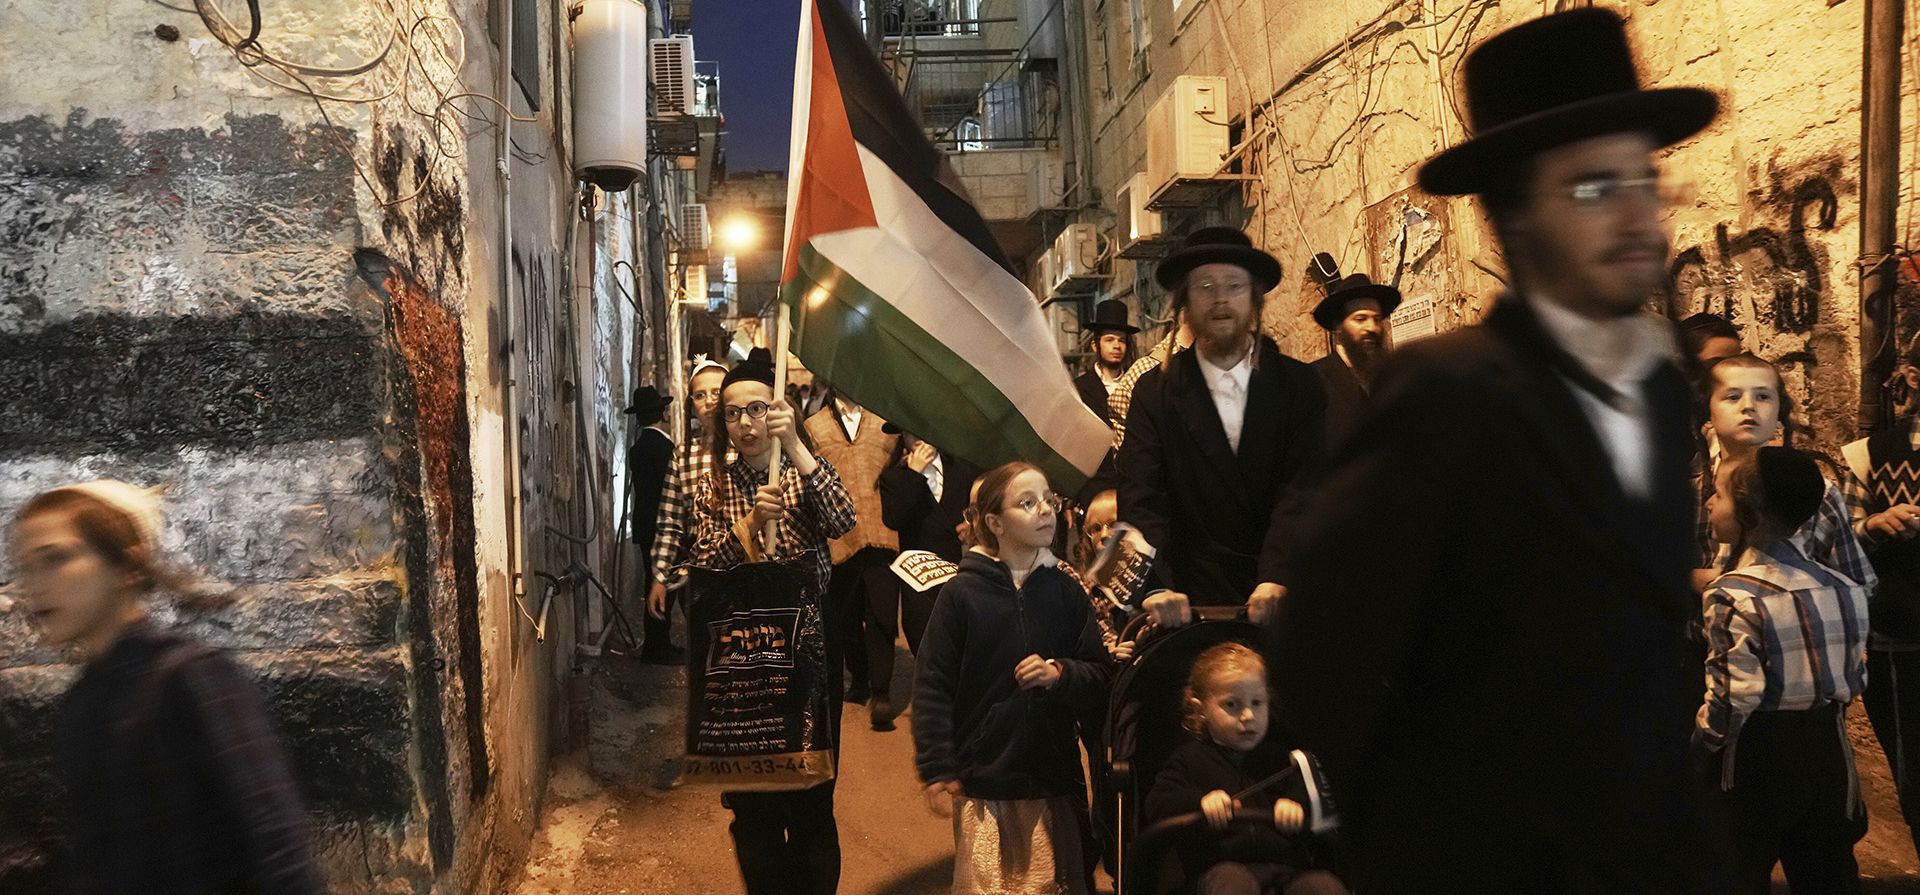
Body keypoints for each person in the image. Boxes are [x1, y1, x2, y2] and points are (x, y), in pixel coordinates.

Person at [1261, 9, 1733, 890]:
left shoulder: (1664, 391)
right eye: (1593, 189)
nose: (1638, 214)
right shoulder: (1450, 392)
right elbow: (1327, 655)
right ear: (1512, 217)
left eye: (1644, 179)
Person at [10, 481, 324, 894]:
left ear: (126, 565)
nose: (33, 585)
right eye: (24, 567)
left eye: (55, 558)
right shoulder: (83, 704)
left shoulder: (192, 675)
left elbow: (278, 842)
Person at [685, 353, 859, 895]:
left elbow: (844, 519)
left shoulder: (804, 470)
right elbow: (704, 560)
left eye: (758, 410)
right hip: (743, 652)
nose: (746, 424)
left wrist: (803, 454)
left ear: (778, 413)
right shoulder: (716, 485)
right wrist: (751, 522)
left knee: (811, 795)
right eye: (734, 414)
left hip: (809, 649)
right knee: (754, 804)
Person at [911, 462, 1112, 895]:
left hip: (1050, 778)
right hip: (984, 781)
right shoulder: (961, 595)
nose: (1044, 511)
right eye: (1027, 503)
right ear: (995, 523)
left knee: (1050, 884)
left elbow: (1098, 673)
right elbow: (933, 684)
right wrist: (937, 764)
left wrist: (1060, 673)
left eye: (1048, 500)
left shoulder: (1065, 592)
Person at [1120, 226, 1327, 624]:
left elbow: (1303, 490)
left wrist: (1276, 576)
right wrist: (1158, 587)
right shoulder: (1156, 391)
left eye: (1233, 285)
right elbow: (1142, 497)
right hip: (1189, 600)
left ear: (1254, 298)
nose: (1220, 299)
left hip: (1282, 595)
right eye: (1205, 286)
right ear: (1184, 299)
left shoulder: (1298, 385)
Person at [1698, 447, 1869, 893]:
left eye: (1718, 495)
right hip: (1829, 750)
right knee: (1828, 870)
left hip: (1761, 753)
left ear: (1749, 511)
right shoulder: (1846, 588)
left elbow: (1733, 697)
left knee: (1738, 868)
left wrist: (1699, 750)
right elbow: (1853, 678)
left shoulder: (1731, 594)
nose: (1709, 505)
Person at [1144, 642, 1347, 895]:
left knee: (1324, 886)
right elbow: (1158, 804)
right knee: (1233, 885)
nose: (1248, 716)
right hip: (1218, 868)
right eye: (1232, 705)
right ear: (1201, 709)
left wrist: (1296, 804)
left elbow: (1316, 796)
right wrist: (1200, 802)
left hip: (1288, 869)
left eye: (1257, 703)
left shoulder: (1283, 759)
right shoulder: (1188, 759)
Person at [1692, 355, 1871, 590]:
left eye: (1763, 396)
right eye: (1733, 397)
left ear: (1779, 410)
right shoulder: (1690, 490)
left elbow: (1858, 584)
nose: (1748, 406)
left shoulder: (1814, 490)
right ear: (1708, 410)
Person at [1840, 341, 1920, 860]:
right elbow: (1839, 540)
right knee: (1916, 776)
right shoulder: (1870, 454)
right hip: (1902, 641)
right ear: (1912, 377)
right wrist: (1872, 525)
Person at [803, 390, 901, 722]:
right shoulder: (814, 426)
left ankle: (881, 691)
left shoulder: (887, 422)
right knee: (845, 617)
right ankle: (859, 676)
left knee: (882, 614)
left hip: (883, 531)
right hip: (839, 538)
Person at [646, 356, 729, 647]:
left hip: (746, 572)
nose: (709, 401)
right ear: (691, 403)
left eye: (717, 392)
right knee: (707, 659)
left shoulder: (752, 448)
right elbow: (670, 523)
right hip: (699, 577)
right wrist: (659, 577)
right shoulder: (684, 456)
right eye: (700, 395)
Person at [1309, 271, 1401, 446]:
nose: (1371, 327)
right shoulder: (1314, 380)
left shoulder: (1393, 376)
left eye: (1377, 319)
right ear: (1338, 327)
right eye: (1360, 319)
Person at [623, 384, 681, 662]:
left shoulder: (637, 449)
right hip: (663, 526)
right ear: (663, 413)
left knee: (653, 584)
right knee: (664, 588)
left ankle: (657, 645)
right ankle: (658, 648)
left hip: (644, 526)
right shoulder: (666, 448)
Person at [1074, 299, 1140, 427]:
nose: (1117, 346)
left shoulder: (1137, 384)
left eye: (1122, 340)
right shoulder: (1079, 388)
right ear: (1095, 345)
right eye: (1109, 340)